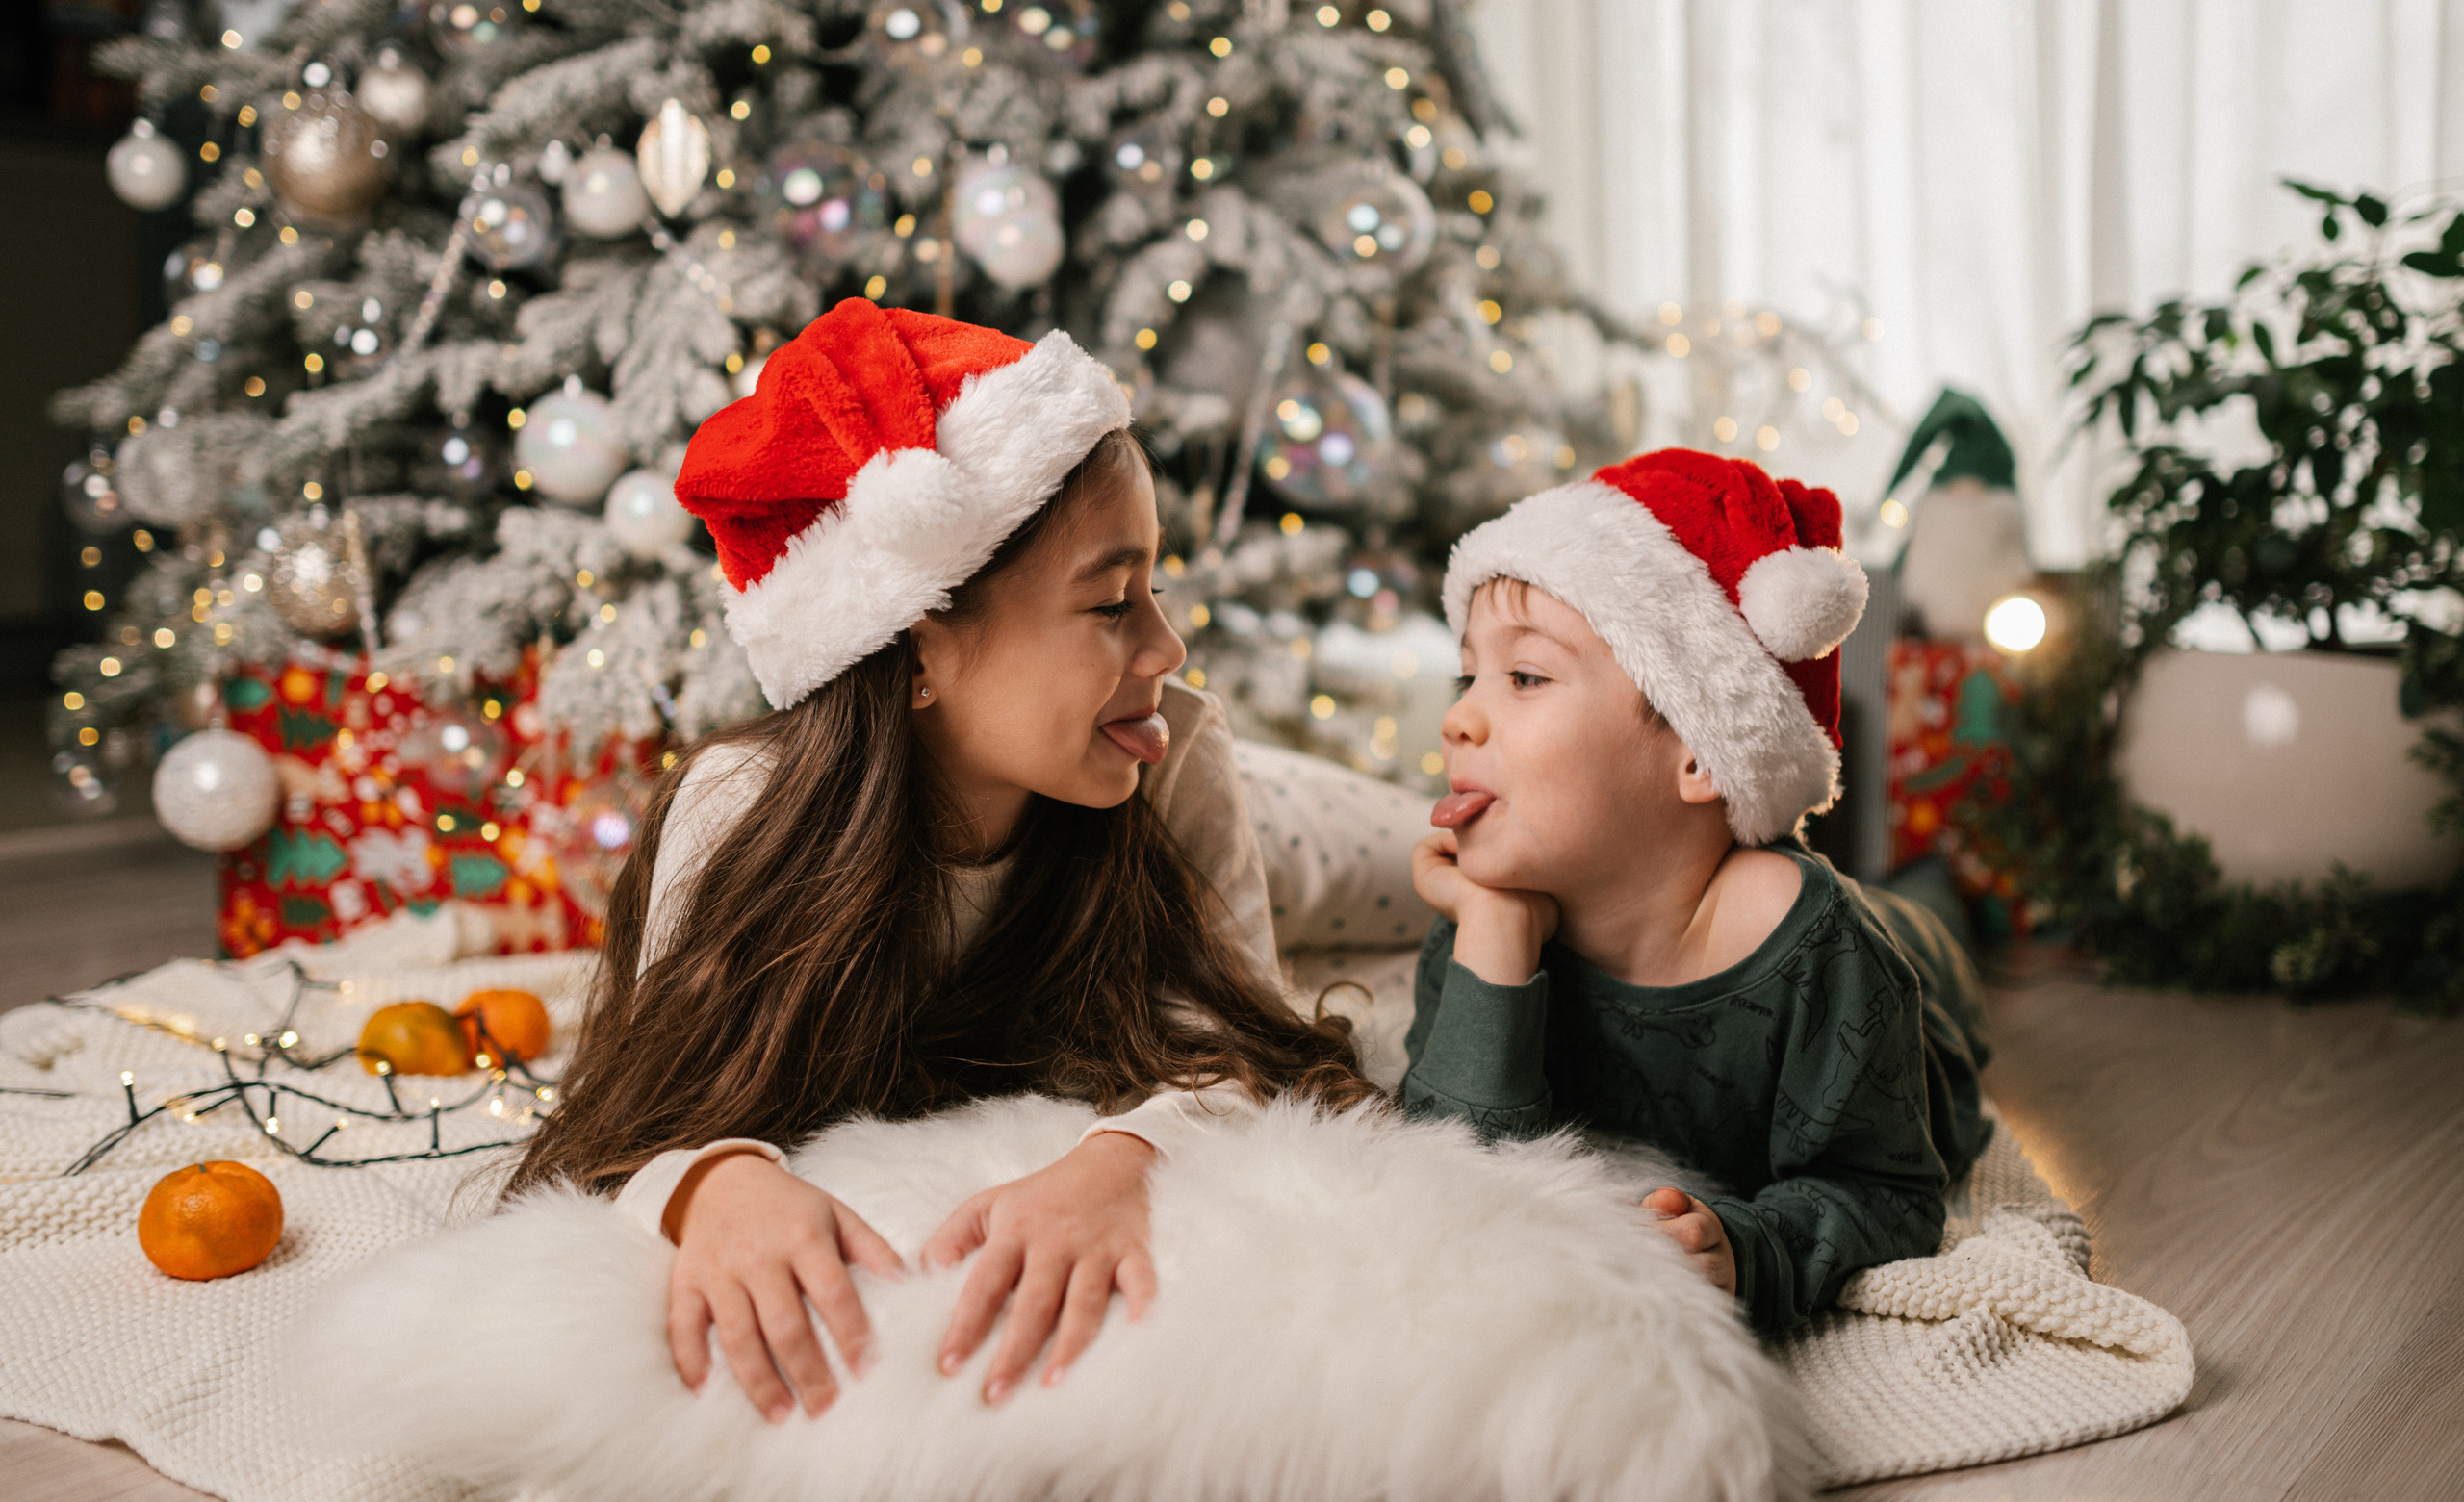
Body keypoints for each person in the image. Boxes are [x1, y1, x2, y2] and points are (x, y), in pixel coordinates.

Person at [507, 298, 1373, 1421]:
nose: (1166, 645)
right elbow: (632, 1118)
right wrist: (713, 1185)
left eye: (1153, 590)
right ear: (918, 649)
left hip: (1283, 819)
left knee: (1447, 850)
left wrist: (1123, 1161)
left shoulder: (1176, 751)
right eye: (1113, 602)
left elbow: (1248, 1039)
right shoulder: (740, 813)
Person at [1399, 448, 1992, 1337]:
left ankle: (1937, 887)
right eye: (1467, 676)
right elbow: (1448, 1175)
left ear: (1701, 754)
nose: (1459, 717)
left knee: (1930, 923)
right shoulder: (1489, 916)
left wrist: (1754, 1246)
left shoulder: (1817, 948)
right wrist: (1493, 928)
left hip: (1915, 991)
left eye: (1524, 677)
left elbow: (1890, 1193)